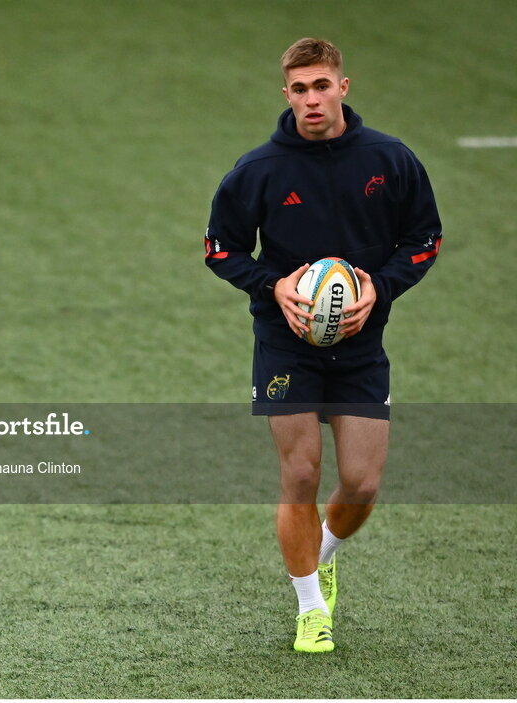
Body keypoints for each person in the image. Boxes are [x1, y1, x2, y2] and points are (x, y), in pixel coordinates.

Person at [204, 38, 442, 653]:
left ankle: (322, 553)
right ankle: (310, 606)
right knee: (302, 471)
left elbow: (425, 238)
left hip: (361, 345)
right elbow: (220, 248)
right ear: (286, 95)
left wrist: (380, 288)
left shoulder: (390, 159)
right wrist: (272, 283)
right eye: (300, 89)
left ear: (343, 86)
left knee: (361, 484)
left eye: (322, 85)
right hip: (284, 344)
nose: (312, 99)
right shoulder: (258, 170)